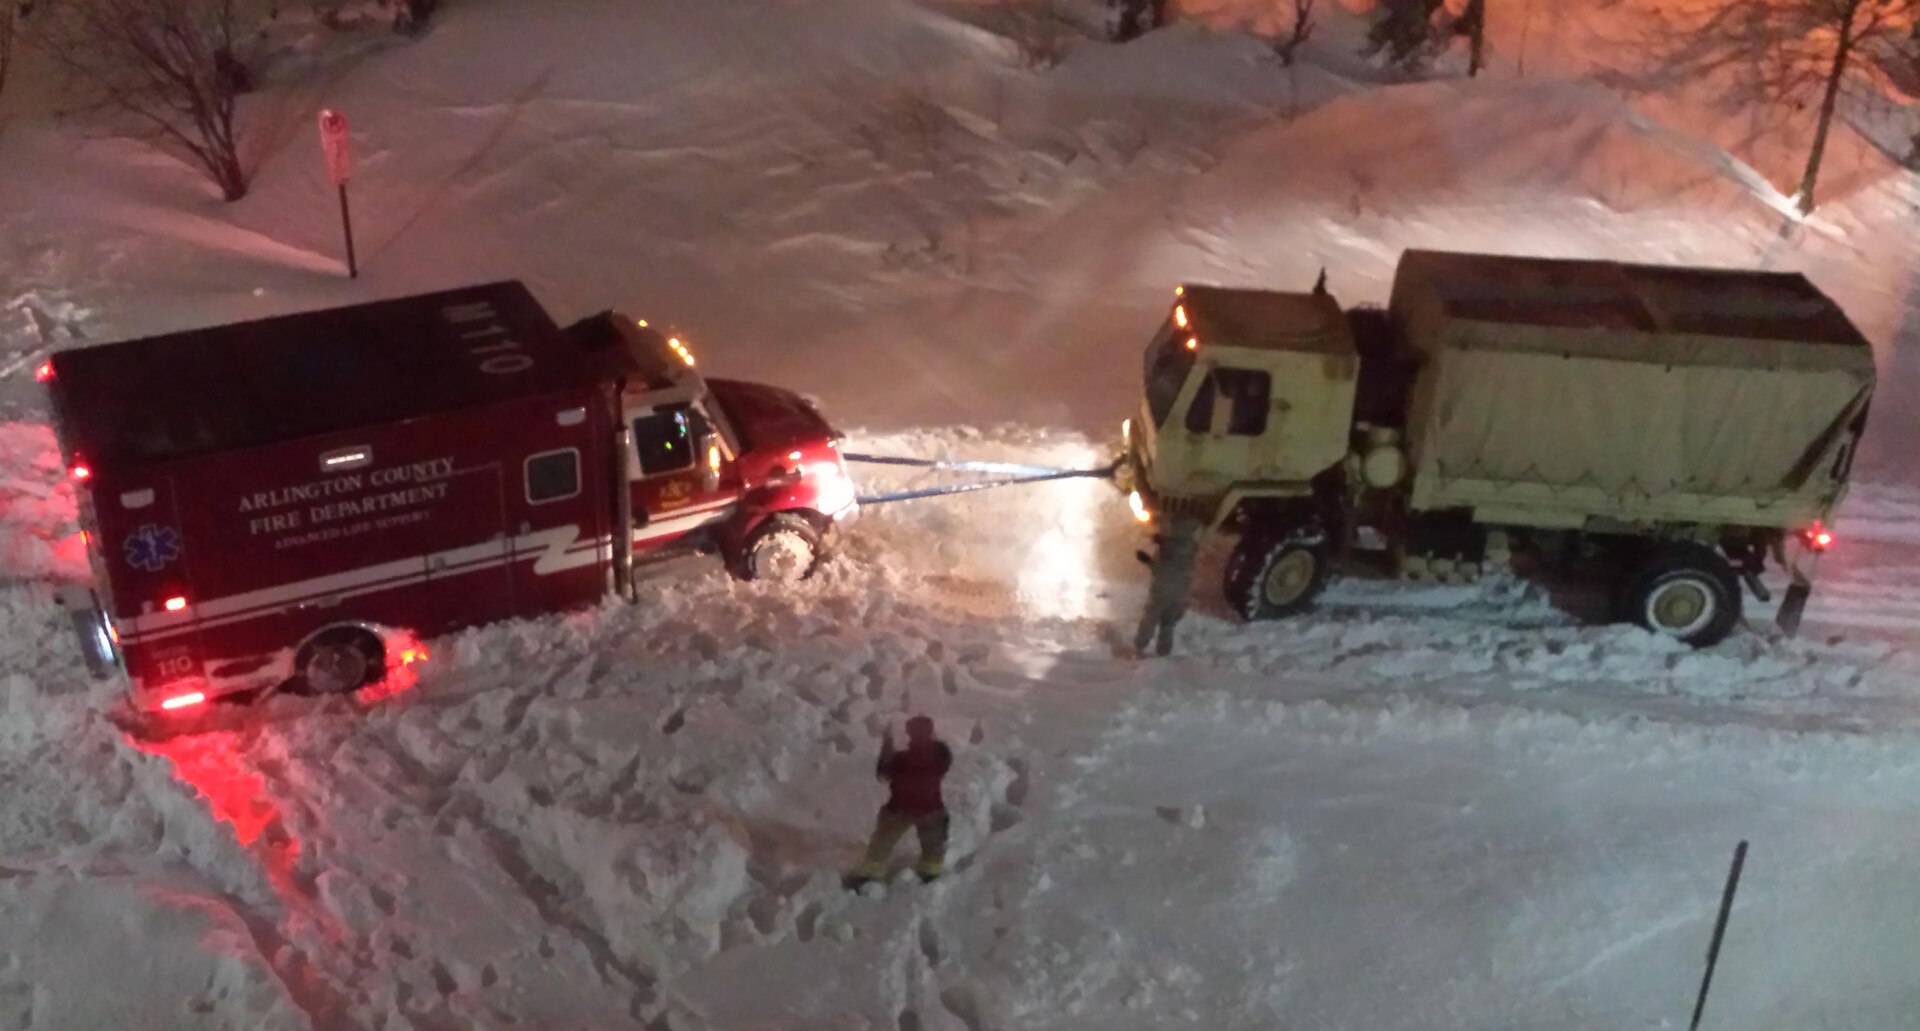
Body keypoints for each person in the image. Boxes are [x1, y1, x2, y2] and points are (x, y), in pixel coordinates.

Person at [849, 716, 953, 887]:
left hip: (899, 809)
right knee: (933, 846)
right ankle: (930, 875)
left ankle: (869, 876)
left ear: (909, 733)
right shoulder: (940, 756)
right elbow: (946, 758)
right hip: (931, 810)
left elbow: (883, 772)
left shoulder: (902, 760)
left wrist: (887, 743)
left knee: (882, 843)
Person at [1134, 510, 1205, 657]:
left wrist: (1147, 561)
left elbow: (1165, 570)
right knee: (1168, 623)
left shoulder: (1172, 548)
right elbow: (1176, 550)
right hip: (1179, 593)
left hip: (1163, 590)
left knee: (1150, 618)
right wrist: (1162, 541)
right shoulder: (1189, 546)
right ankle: (1164, 651)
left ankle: (1140, 645)